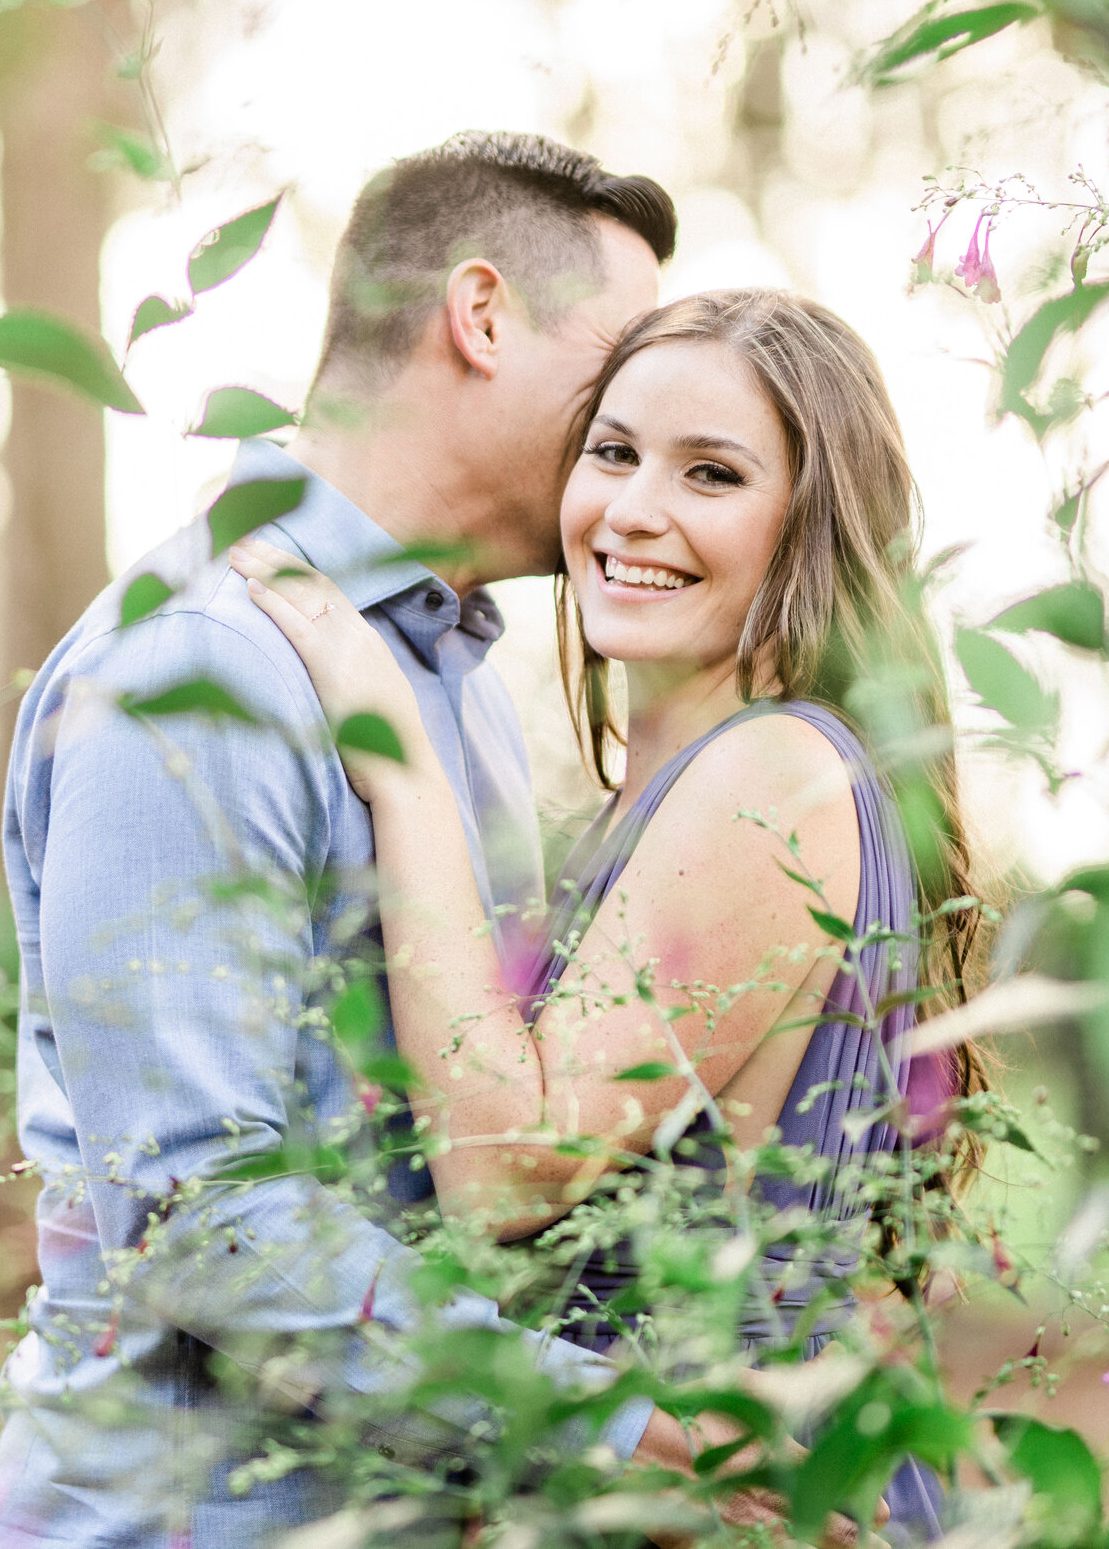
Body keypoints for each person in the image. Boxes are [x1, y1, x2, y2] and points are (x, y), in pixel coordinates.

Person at [0, 132, 690, 1549]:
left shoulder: (449, 687)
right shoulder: (207, 668)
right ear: (481, 317)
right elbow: (209, 1222)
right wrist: (606, 1430)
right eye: (619, 375)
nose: (639, 433)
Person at [231, 288, 993, 1541]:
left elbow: (507, 1163)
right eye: (614, 451)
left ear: (812, 527)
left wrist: (394, 748)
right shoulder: (667, 795)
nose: (635, 509)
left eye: (711, 473)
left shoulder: (776, 774)